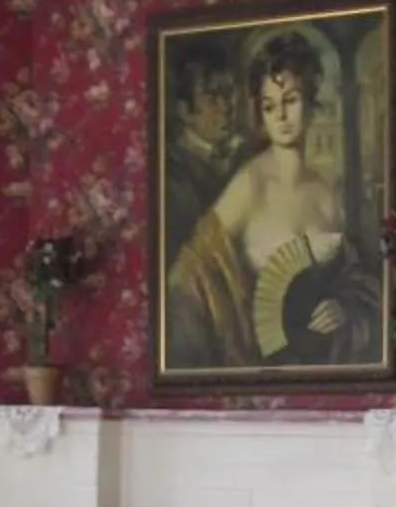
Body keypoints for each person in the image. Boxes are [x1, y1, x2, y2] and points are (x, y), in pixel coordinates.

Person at [164, 31, 383, 371]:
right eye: (269, 106)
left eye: (291, 100)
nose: (280, 116)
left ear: (312, 102)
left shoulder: (327, 192)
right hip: (256, 364)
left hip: (321, 368)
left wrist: (343, 307)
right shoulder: (250, 184)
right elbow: (188, 275)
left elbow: (359, 280)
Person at [161, 47, 244, 256]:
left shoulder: (242, 156)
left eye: (229, 94)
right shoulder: (173, 176)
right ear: (184, 111)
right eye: (212, 99)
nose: (226, 107)